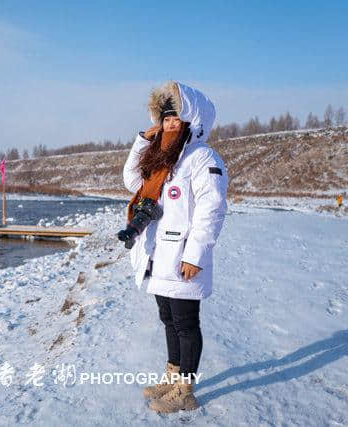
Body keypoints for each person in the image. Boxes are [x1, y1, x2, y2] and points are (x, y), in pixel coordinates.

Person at [122, 81, 229, 413]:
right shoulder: (162, 157)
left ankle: (185, 390)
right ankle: (172, 375)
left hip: (183, 256)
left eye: (175, 118)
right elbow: (130, 181)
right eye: (165, 118)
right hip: (159, 254)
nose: (169, 124)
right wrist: (144, 139)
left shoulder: (202, 157)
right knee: (168, 318)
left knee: (186, 323)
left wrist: (195, 255)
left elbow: (212, 208)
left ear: (191, 120)